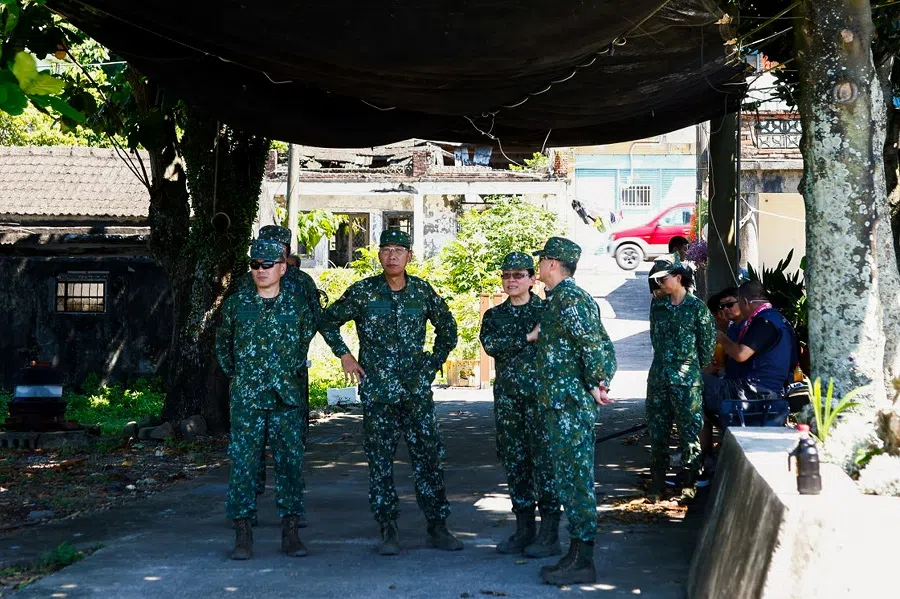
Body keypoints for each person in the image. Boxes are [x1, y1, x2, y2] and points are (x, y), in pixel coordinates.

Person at [324, 229, 463, 555]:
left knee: (429, 460)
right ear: (379, 256)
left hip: (415, 393)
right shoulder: (364, 292)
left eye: (399, 250)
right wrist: (344, 354)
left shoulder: (422, 292)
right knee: (380, 462)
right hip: (379, 394)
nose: (392, 256)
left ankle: (437, 527)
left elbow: (448, 327)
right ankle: (388, 528)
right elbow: (328, 320)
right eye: (386, 249)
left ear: (409, 256)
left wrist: (432, 364)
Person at [216, 238, 316, 560]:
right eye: (255, 265)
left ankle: (291, 533)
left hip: (286, 397)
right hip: (248, 400)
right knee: (244, 466)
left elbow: (304, 342)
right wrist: (242, 378)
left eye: (267, 265)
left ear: (282, 268)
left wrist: (289, 373)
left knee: (290, 465)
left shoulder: (297, 305)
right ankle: (243, 534)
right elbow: (223, 346)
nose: (260, 270)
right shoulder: (236, 305)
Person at [530, 237, 617, 585]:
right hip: (558, 404)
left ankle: (584, 559)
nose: (538, 267)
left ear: (552, 263)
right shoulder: (557, 300)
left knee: (577, 481)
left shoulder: (571, 299)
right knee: (568, 480)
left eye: (541, 261)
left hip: (570, 406)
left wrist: (599, 381)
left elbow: (594, 343)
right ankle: (576, 552)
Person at [239, 225, 342, 520]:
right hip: (252, 379)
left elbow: (315, 321)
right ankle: (250, 504)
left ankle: (291, 511)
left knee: (292, 443)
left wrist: (294, 353)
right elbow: (231, 328)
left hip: (290, 375)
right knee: (251, 446)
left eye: (279, 247)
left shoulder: (301, 283)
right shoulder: (247, 282)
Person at [479, 252, 561, 558]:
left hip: (540, 402)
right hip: (509, 402)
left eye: (518, 275)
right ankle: (524, 529)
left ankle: (550, 534)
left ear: (532, 278)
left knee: (545, 465)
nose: (511, 281)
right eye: (506, 275)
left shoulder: (547, 311)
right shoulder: (494, 316)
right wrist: (528, 337)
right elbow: (491, 345)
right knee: (515, 464)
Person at [646, 254, 716, 500]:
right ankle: (657, 484)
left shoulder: (697, 308)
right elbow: (655, 336)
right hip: (659, 378)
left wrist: (690, 367)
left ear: (678, 277)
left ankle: (689, 484)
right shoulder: (658, 305)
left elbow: (707, 347)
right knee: (658, 432)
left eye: (663, 279)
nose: (659, 284)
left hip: (687, 381)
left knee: (690, 433)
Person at [702, 280, 798, 422]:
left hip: (754, 391)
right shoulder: (780, 320)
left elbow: (741, 355)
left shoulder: (765, 321)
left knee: (691, 381)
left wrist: (722, 338)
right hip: (769, 389)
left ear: (745, 302)